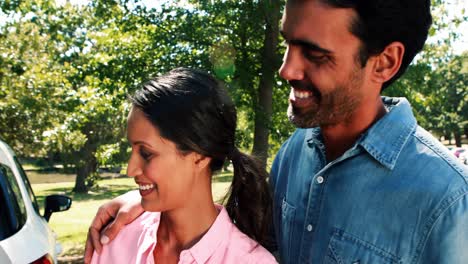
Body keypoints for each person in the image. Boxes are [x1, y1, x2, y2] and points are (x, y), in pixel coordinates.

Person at [85, 0, 468, 263]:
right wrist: (149, 204)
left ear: (384, 62)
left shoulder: (449, 200)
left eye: (314, 55)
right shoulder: (294, 154)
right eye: (288, 44)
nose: (287, 69)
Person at [89, 68, 277, 263]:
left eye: (146, 153)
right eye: (132, 150)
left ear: (200, 156)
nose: (131, 170)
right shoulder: (114, 240)